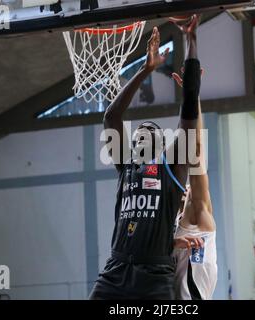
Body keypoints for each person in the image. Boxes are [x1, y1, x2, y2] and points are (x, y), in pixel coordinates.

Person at [89, 15, 202, 299]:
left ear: (163, 142)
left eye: (150, 129)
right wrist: (146, 68)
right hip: (115, 270)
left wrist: (191, 40)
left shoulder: (173, 167)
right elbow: (111, 116)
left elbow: (189, 106)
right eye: (138, 130)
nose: (141, 131)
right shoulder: (126, 165)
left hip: (154, 275)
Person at [172, 66, 217, 300]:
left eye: (190, 187)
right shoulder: (167, 224)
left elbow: (196, 148)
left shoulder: (197, 214)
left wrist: (192, 96)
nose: (187, 188)